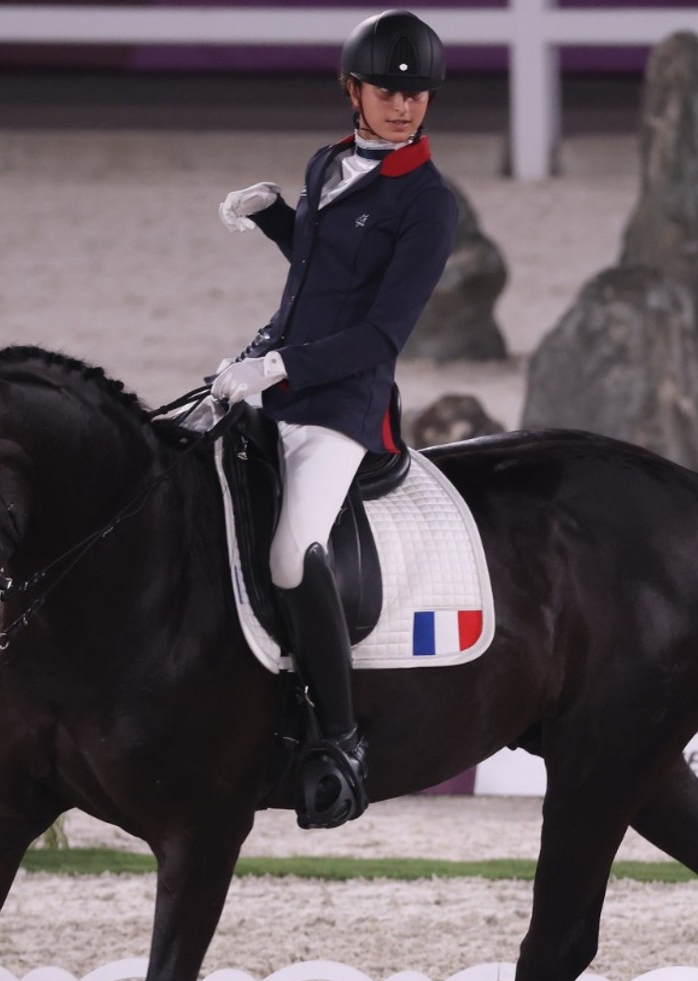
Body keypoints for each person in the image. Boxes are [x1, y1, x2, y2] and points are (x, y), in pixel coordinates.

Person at [209, 10, 458, 830]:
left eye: (417, 92)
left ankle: (341, 740)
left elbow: (380, 329)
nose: (404, 105)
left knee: (291, 549)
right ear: (353, 90)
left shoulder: (428, 203)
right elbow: (323, 273)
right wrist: (281, 215)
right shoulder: (326, 164)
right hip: (278, 381)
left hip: (343, 407)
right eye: (389, 89)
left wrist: (280, 367)